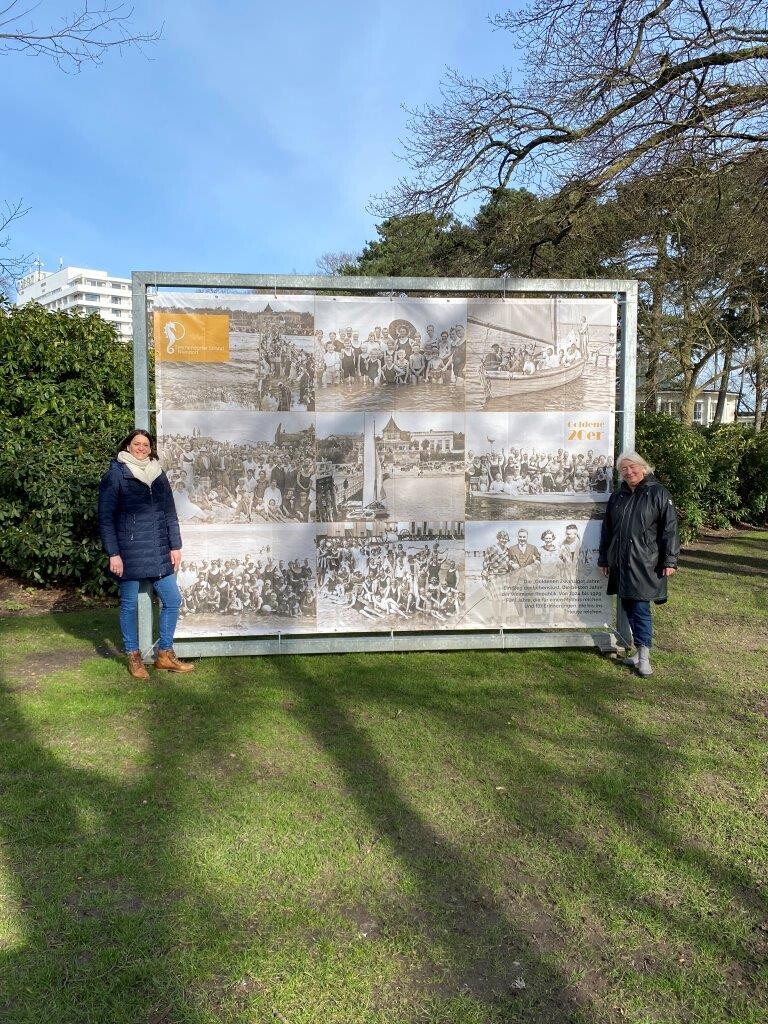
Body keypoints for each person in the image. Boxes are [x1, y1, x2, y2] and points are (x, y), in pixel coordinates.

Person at [98, 429, 194, 678]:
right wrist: (113, 553)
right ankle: (134, 656)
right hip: (129, 551)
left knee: (172, 600)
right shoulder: (115, 475)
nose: (141, 448)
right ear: (127, 446)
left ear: (150, 449)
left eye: (146, 444)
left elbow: (170, 513)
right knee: (129, 605)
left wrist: (175, 545)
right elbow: (106, 518)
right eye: (136, 443)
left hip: (159, 548)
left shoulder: (158, 474)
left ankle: (164, 655)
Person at [598, 451, 679, 678]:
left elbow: (670, 529)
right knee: (628, 606)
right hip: (621, 561)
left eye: (632, 467)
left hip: (646, 561)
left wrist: (670, 559)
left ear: (644, 468)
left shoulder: (658, 493)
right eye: (623, 469)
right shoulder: (618, 496)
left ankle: (644, 656)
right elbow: (608, 530)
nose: (629, 472)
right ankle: (638, 651)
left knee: (640, 607)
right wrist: (605, 558)